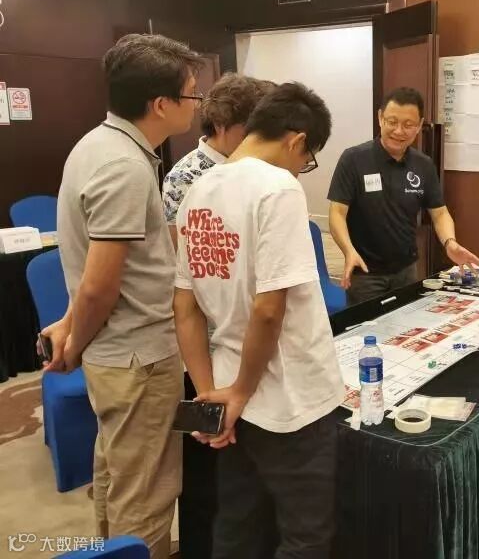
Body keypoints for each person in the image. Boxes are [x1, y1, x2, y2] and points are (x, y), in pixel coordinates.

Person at [45, 33, 202, 559]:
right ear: (161, 104)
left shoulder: (98, 144)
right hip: (138, 358)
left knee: (117, 474)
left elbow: (98, 271)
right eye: (192, 93)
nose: (197, 103)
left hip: (119, 354)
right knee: (147, 495)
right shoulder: (125, 168)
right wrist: (75, 342)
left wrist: (73, 329)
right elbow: (99, 285)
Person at [173, 82, 345, 558]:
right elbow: (269, 310)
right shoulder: (278, 188)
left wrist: (212, 396)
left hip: (228, 392)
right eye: (307, 159)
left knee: (237, 523)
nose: (301, 169)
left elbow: (184, 308)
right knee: (306, 535)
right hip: (289, 399)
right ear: (297, 140)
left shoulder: (198, 190)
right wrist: (243, 391)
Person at [328, 86, 479, 305]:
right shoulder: (353, 159)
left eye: (408, 125)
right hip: (365, 271)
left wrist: (450, 242)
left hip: (407, 270)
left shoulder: (423, 165)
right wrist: (348, 251)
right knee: (367, 325)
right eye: (392, 122)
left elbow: (439, 213)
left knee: (406, 321)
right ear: (380, 118)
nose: (399, 131)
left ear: (419, 126)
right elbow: (337, 213)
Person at [163, 73, 275, 247]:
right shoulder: (183, 178)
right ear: (220, 123)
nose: (257, 141)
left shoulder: (260, 163)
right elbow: (179, 248)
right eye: (250, 132)